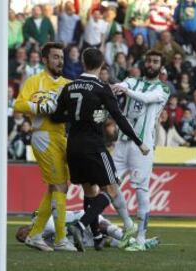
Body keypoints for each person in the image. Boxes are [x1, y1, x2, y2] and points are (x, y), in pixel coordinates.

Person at [51, 47, 150, 252]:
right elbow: (120, 118)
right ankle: (82, 225)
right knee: (111, 188)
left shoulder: (69, 87)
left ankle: (96, 236)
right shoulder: (101, 87)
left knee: (90, 190)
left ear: (83, 62)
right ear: (102, 63)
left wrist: (77, 116)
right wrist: (139, 142)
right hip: (94, 146)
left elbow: (56, 117)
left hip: (73, 146)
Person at [14, 42, 76, 252]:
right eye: (56, 57)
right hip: (43, 136)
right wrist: (39, 106)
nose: (60, 60)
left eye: (61, 57)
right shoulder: (35, 81)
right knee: (59, 185)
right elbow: (18, 104)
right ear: (45, 60)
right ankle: (60, 238)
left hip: (61, 136)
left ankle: (35, 235)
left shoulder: (68, 83)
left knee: (58, 186)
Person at [111, 50, 171, 251]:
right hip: (121, 142)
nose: (151, 64)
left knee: (141, 190)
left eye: (155, 61)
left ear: (160, 67)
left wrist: (125, 91)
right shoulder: (132, 80)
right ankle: (129, 225)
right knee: (108, 182)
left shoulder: (163, 88)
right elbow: (125, 84)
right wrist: (119, 87)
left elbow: (146, 99)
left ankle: (141, 239)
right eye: (149, 60)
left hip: (142, 147)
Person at [16, 210, 160, 250]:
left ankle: (137, 242)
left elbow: (53, 228)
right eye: (22, 239)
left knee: (102, 226)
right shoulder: (40, 241)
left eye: (22, 233)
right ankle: (141, 243)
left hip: (80, 219)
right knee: (109, 242)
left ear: (26, 226)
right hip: (81, 240)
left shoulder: (38, 218)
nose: (25, 236)